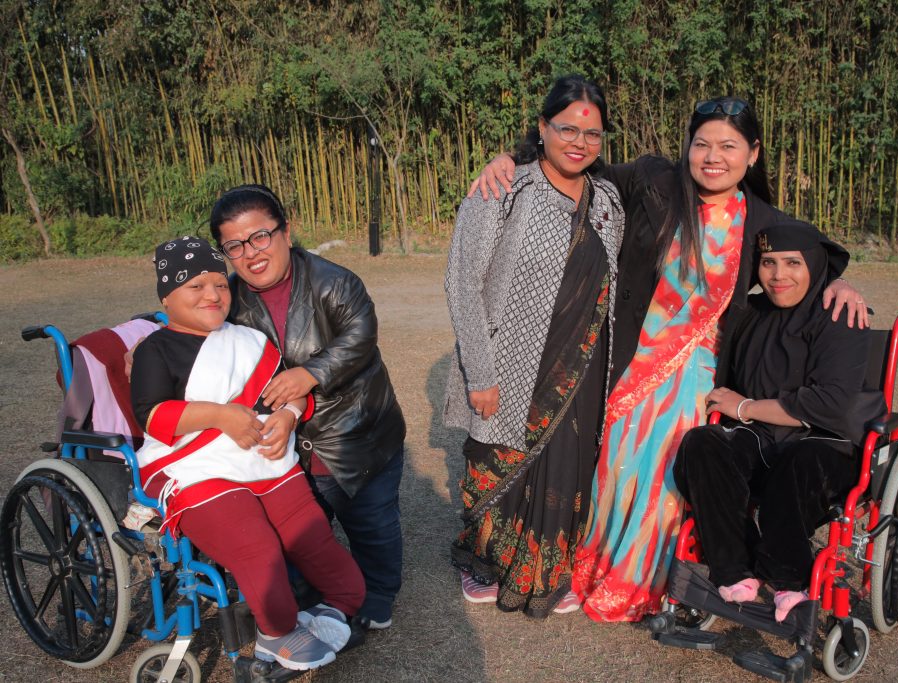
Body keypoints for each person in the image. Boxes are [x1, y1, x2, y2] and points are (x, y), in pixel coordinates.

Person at [471, 96, 868, 622]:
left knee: (665, 469)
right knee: (614, 460)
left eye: (728, 146)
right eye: (702, 142)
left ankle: (653, 581)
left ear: (752, 154)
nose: (713, 156)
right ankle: (591, 567)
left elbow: (806, 261)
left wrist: (844, 285)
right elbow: (577, 165)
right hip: (634, 356)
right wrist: (514, 157)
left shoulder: (763, 220)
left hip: (699, 371)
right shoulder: (654, 182)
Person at [131, 237, 364, 671]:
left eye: (220, 284)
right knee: (259, 550)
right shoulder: (155, 349)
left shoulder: (250, 341)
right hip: (196, 470)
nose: (213, 295)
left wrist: (290, 416)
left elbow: (291, 396)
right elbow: (153, 417)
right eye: (195, 287)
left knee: (323, 548)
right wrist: (220, 416)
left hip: (267, 460)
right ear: (167, 297)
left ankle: (330, 610)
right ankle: (275, 635)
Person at [444, 75, 625, 617]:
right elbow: (462, 281)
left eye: (592, 134)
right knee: (497, 456)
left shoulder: (609, 198)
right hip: (509, 361)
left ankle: (551, 565)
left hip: (582, 362)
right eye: (566, 128)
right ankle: (486, 562)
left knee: (569, 460)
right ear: (542, 128)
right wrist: (480, 374)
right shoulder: (504, 189)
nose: (579, 143)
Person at [209, 185, 406, 631]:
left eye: (260, 236)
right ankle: (315, 594)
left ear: (285, 230)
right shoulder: (230, 300)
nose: (251, 253)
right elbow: (191, 314)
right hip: (288, 446)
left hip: (357, 436)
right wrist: (148, 332)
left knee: (372, 525)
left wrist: (309, 374)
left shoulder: (334, 281)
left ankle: (377, 593)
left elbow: (360, 336)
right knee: (300, 533)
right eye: (234, 246)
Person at [674, 220, 886, 622]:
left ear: (815, 264)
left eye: (793, 263)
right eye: (768, 263)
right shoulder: (749, 314)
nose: (779, 275)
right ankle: (734, 569)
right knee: (702, 444)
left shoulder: (840, 314)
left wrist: (746, 407)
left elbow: (828, 404)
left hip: (825, 444)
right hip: (760, 439)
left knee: (797, 463)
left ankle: (789, 577)